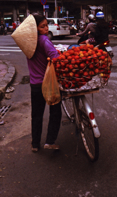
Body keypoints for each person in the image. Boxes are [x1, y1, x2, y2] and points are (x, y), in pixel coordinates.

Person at [27, 13, 62, 152]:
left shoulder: (28, 42)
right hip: (48, 83)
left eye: (47, 25)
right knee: (55, 111)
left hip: (34, 84)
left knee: (36, 115)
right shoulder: (43, 40)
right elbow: (55, 58)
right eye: (43, 26)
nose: (46, 29)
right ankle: (50, 141)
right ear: (35, 28)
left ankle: (35, 144)